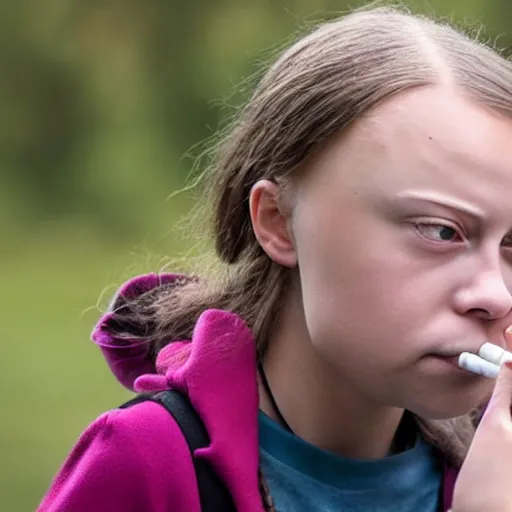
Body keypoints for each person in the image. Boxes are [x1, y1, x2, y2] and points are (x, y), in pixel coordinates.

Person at [38, 5, 512, 512]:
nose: (495, 295)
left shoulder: (493, 469)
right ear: (278, 222)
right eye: (440, 231)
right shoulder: (147, 465)